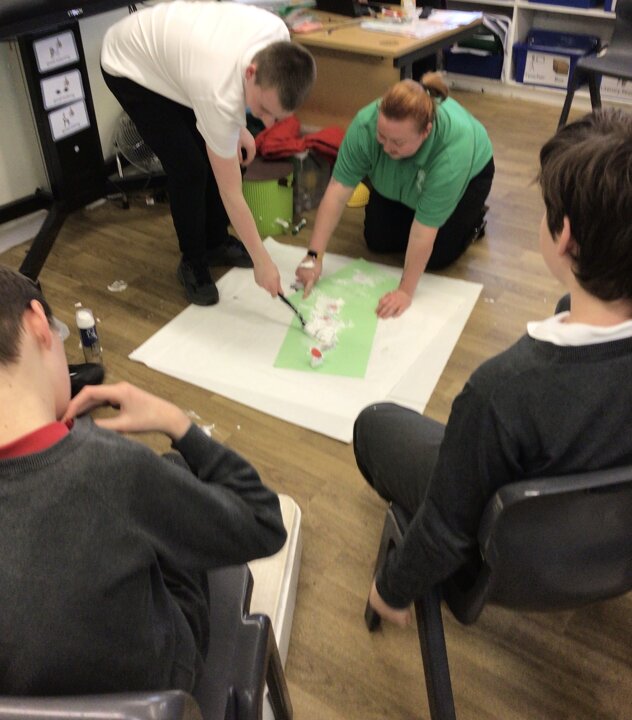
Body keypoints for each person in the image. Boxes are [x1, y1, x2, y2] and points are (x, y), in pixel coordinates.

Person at [353, 108, 632, 626]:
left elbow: (445, 529)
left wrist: (390, 591)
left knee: (374, 425)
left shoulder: (504, 390)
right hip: (615, 549)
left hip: (511, 565)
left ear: (565, 237)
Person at [0, 264, 286, 693]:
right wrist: (175, 422)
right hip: (158, 694)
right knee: (174, 470)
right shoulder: (110, 467)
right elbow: (265, 523)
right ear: (39, 322)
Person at [101, 1, 316, 305]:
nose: (268, 123)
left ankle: (215, 242)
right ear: (251, 73)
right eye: (263, 109)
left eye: (276, 116)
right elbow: (231, 193)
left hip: (184, 61)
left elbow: (229, 102)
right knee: (189, 168)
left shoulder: (277, 35)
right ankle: (193, 261)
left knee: (232, 153)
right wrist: (262, 261)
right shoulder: (217, 90)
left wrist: (238, 127)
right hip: (130, 65)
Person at [295, 73, 494, 318]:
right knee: (376, 240)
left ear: (426, 131)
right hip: (402, 178)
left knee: (437, 258)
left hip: (471, 175)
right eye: (381, 136)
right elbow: (337, 192)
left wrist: (405, 291)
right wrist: (313, 257)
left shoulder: (452, 152)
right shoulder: (365, 125)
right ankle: (414, 204)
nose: (387, 147)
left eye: (397, 142)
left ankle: (474, 220)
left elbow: (424, 230)